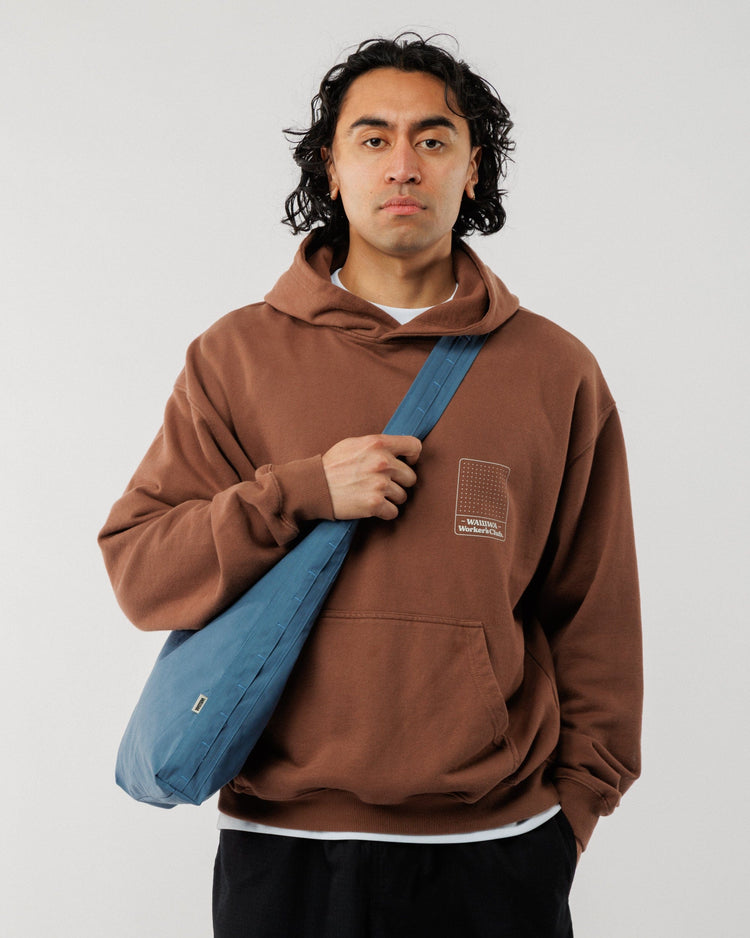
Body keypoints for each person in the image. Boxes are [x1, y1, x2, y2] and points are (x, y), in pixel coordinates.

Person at [99, 33, 642, 938]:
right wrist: (299, 491)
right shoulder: (237, 356)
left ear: (473, 168)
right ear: (332, 164)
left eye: (433, 139)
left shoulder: (555, 371)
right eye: (373, 137)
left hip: (496, 850)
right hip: (284, 851)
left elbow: (596, 615)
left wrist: (574, 814)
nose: (403, 165)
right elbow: (142, 572)